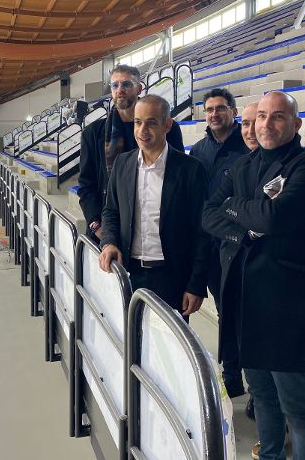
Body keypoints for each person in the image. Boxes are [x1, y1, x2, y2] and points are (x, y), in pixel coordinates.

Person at [203, 91, 305, 460]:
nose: (266, 124)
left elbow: (274, 218)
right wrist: (245, 224)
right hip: (247, 302)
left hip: (289, 306)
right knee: (262, 399)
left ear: (296, 123)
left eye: (277, 117)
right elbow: (209, 214)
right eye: (261, 116)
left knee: (301, 410)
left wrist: (236, 208)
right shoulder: (242, 167)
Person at [98, 94, 208, 319]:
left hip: (172, 276)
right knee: (129, 344)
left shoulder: (190, 169)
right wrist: (108, 241)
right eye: (138, 122)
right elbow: (111, 210)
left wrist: (196, 284)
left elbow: (203, 231)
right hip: (129, 271)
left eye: (151, 122)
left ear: (167, 125)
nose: (142, 130)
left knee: (170, 352)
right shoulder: (122, 163)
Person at [77, 64, 184, 243]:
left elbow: (178, 175)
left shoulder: (167, 128)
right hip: (109, 226)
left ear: (139, 88)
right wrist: (96, 224)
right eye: (115, 85)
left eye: (126, 84)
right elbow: (87, 184)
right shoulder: (93, 133)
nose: (120, 90)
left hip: (154, 226)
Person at [189, 88, 249, 398]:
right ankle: (232, 377)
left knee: (238, 314)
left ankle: (249, 382)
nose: (214, 114)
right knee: (224, 313)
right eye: (210, 109)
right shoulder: (198, 150)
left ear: (233, 111)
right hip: (207, 246)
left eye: (221, 108)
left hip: (239, 246)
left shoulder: (248, 147)